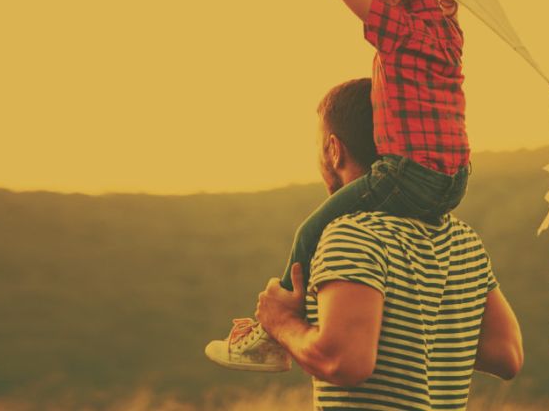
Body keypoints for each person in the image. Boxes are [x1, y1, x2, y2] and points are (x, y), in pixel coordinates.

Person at [205, 0, 472, 369]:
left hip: (409, 173)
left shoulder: (402, 30)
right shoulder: (450, 31)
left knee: (312, 231)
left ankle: (273, 333)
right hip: (456, 180)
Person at [206, 78, 522, 409]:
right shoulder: (463, 240)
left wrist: (282, 324)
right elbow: (506, 355)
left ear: (333, 149)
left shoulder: (352, 233)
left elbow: (345, 362)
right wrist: (417, 331)